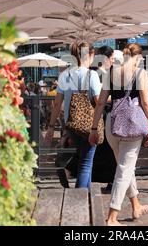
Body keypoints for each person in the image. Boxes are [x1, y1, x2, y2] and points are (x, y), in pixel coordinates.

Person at [89, 43, 148, 226]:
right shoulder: (139, 73)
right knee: (124, 169)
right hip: (132, 124)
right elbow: (146, 102)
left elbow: (101, 103)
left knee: (125, 166)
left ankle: (136, 206)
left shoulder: (111, 73)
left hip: (112, 123)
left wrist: (94, 128)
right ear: (139, 57)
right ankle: (112, 216)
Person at [45, 42, 101, 188]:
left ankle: (86, 197)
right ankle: (79, 200)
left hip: (71, 125)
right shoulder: (92, 75)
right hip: (90, 125)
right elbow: (98, 101)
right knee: (86, 164)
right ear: (89, 55)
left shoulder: (65, 75)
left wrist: (51, 127)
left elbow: (57, 104)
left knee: (84, 160)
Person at [91, 46, 117, 191]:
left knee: (104, 151)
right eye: (112, 59)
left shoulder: (100, 74)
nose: (113, 62)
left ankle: (111, 181)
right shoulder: (99, 75)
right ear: (105, 59)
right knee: (108, 151)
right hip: (102, 115)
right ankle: (112, 181)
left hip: (101, 115)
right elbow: (99, 99)